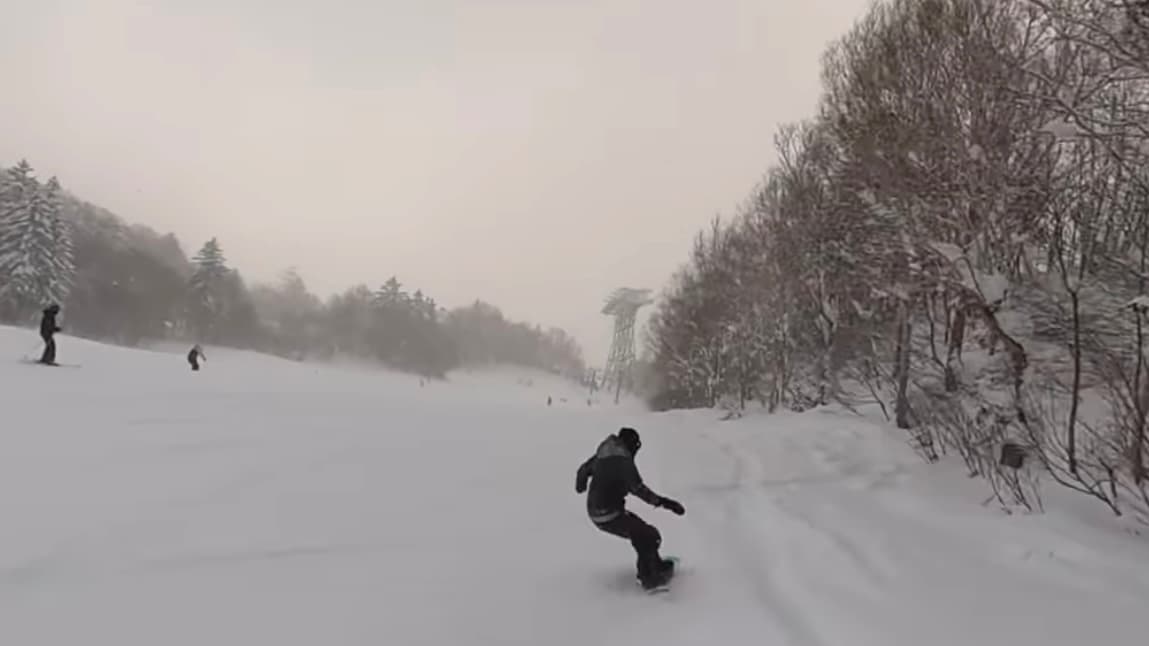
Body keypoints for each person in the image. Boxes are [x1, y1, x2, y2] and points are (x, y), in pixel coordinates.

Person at [575, 427, 685, 589]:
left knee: (643, 532)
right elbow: (639, 490)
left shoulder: (604, 454)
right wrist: (666, 503)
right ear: (632, 445)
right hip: (608, 514)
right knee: (648, 536)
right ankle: (650, 579)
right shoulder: (623, 462)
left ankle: (655, 566)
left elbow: (583, 470)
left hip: (596, 510)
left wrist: (581, 485)